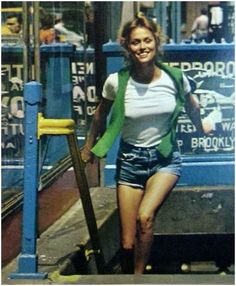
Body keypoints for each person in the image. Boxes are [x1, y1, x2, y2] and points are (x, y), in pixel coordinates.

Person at [81, 12, 213, 274]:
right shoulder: (116, 82)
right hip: (130, 162)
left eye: (147, 40)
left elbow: (192, 107)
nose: (142, 47)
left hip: (165, 160)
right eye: (135, 42)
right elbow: (99, 115)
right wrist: (88, 148)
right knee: (127, 243)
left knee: (146, 218)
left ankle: (140, 279)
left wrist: (202, 127)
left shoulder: (174, 78)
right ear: (127, 47)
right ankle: (129, 273)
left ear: (156, 42)